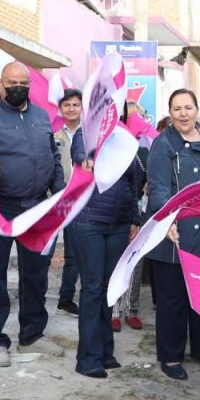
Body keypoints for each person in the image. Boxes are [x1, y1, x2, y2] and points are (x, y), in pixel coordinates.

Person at [0, 61, 67, 367]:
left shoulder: (40, 115)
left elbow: (51, 154)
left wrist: (62, 190)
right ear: (0, 83)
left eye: (23, 83)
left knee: (36, 273)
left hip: (38, 206)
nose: (18, 88)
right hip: (0, 207)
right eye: (12, 83)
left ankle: (32, 334)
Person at [146, 89, 200, 381]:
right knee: (173, 299)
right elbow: (158, 188)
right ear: (171, 112)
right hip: (173, 233)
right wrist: (166, 221)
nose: (183, 114)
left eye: (188, 107)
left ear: (197, 109)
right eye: (177, 108)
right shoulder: (163, 144)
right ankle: (170, 356)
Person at [69, 108, 143, 379]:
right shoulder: (85, 134)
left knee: (108, 289)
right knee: (92, 288)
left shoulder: (125, 140)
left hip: (120, 225)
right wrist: (85, 158)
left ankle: (104, 352)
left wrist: (134, 218)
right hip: (89, 223)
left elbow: (133, 183)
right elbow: (79, 152)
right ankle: (87, 359)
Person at [117, 100, 151, 332]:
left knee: (135, 263)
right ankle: (113, 309)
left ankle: (132, 309)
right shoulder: (111, 146)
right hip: (114, 211)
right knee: (115, 263)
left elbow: (146, 181)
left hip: (138, 211)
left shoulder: (144, 151)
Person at [54, 88, 82, 316]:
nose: (71, 109)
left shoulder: (91, 134)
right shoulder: (53, 136)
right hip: (54, 200)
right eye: (67, 105)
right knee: (44, 250)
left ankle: (66, 298)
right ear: (60, 109)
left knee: (73, 253)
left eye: (75, 105)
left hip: (81, 201)